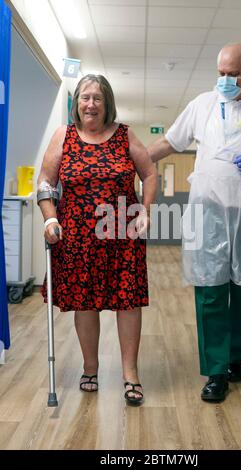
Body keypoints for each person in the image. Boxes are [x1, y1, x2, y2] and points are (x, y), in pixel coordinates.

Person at [148, 43, 241, 402]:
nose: (225, 80)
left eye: (233, 74)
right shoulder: (203, 104)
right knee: (210, 289)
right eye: (221, 73)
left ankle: (235, 359)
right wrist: (128, 159)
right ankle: (215, 372)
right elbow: (170, 141)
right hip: (208, 212)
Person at [37, 74, 157, 405]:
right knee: (85, 303)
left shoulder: (124, 135)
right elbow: (46, 183)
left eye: (98, 98)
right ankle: (90, 367)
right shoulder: (63, 136)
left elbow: (149, 172)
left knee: (128, 302)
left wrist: (145, 210)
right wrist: (50, 217)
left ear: (108, 104)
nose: (91, 104)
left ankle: (130, 374)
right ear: (76, 103)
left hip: (122, 233)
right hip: (76, 237)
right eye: (85, 97)